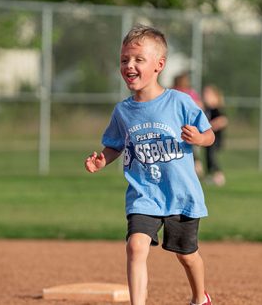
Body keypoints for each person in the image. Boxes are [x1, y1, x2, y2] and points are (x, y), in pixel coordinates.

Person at [84, 24, 214, 305]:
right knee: (136, 246)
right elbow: (115, 145)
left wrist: (199, 138)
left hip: (180, 195)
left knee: (187, 255)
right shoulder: (123, 111)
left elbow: (210, 135)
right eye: (124, 59)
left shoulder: (179, 102)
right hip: (144, 194)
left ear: (159, 64)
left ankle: (199, 297)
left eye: (138, 59)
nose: (129, 65)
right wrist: (102, 160)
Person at [173, 72, 205, 178]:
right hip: (188, 126)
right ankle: (196, 169)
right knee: (191, 150)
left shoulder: (174, 92)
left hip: (177, 126)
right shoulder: (189, 93)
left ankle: (195, 170)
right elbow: (199, 107)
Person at [202, 85, 227, 186]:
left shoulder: (216, 109)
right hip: (208, 139)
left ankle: (219, 175)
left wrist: (209, 127)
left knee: (212, 157)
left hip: (216, 138)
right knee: (208, 156)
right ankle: (210, 175)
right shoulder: (206, 109)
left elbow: (223, 120)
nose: (205, 96)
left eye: (208, 94)